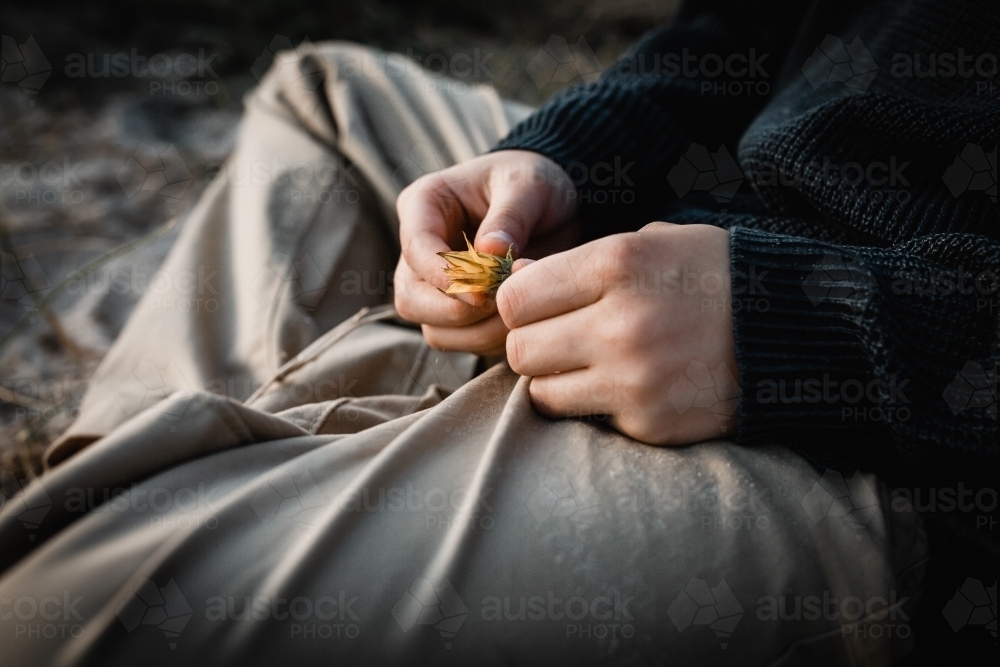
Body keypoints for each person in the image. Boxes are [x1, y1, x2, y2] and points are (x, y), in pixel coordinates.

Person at [1, 0, 995, 664]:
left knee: (74, 612)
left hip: (900, 435)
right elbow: (749, 31)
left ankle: (199, 493)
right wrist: (566, 159)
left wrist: (811, 326)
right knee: (320, 96)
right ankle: (233, 480)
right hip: (714, 216)